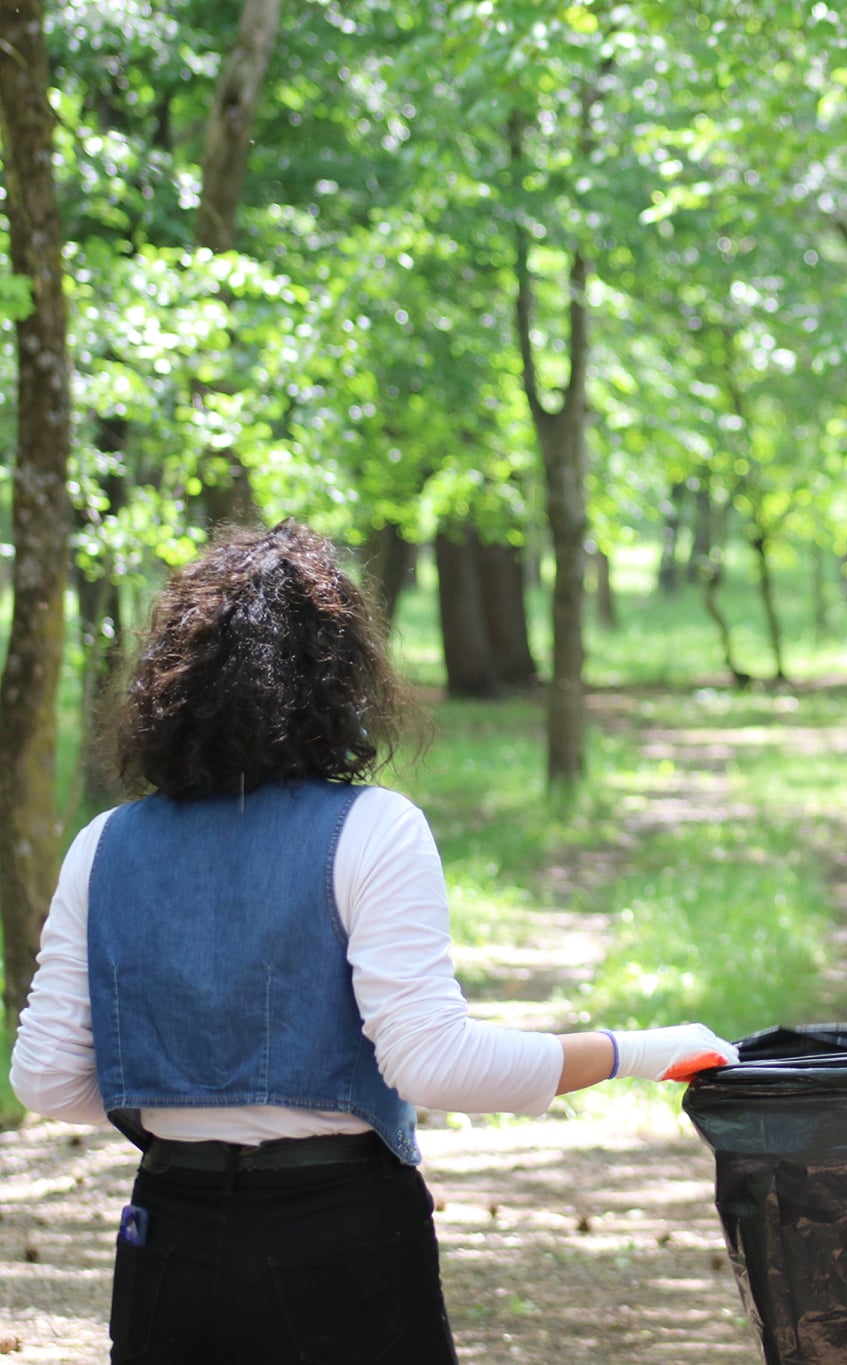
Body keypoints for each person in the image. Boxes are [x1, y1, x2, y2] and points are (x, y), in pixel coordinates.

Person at [9, 521, 739, 1364]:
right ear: (339, 674)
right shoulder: (374, 828)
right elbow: (433, 1064)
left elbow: (47, 1079)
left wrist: (192, 1098)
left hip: (169, 1240)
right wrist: (637, 1051)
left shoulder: (102, 845)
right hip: (337, 1240)